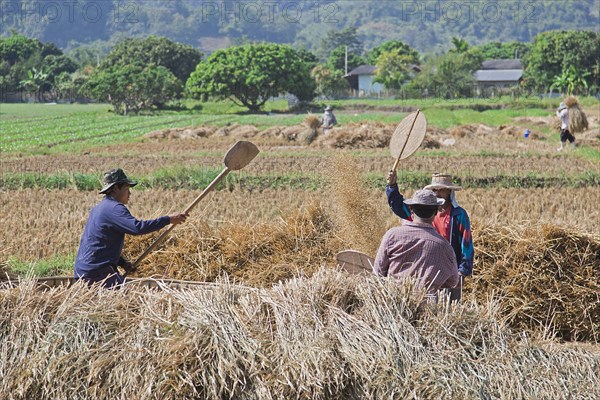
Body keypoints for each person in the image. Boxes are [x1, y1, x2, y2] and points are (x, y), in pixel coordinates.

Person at [74, 168, 188, 288]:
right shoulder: (115, 208)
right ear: (116, 189)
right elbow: (137, 228)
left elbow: (101, 244)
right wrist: (168, 220)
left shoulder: (98, 208)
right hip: (97, 272)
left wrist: (123, 263)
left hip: (83, 270)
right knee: (127, 301)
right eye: (127, 189)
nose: (130, 194)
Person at [386, 171, 474, 302]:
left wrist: (462, 272)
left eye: (442, 190)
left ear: (449, 192)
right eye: (434, 190)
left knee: (448, 307)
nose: (438, 193)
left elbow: (466, 244)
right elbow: (399, 207)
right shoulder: (422, 212)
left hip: (449, 271)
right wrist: (392, 186)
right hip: (426, 269)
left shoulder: (458, 215)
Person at [373, 189, 459, 296]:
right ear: (436, 211)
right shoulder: (444, 246)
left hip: (393, 303)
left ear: (411, 210)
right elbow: (453, 281)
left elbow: (378, 272)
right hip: (427, 308)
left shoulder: (392, 236)